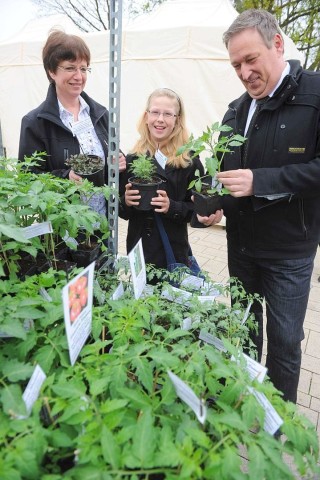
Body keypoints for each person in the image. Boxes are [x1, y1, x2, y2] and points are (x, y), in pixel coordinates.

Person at [197, 9, 320, 404]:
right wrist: (213, 205)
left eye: (251, 59)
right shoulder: (236, 110)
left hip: (289, 250)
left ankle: (277, 418)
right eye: (236, 65)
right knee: (246, 327)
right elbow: (226, 172)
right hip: (243, 245)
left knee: (284, 339)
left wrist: (261, 182)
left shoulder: (315, 95)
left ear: (278, 44)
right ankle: (248, 398)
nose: (244, 72)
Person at [18, 29, 126, 215]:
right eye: (70, 68)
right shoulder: (35, 123)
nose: (79, 76)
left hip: (103, 225)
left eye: (83, 69)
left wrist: (118, 160)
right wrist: (65, 177)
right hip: (63, 229)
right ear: (51, 71)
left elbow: (111, 157)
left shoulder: (100, 114)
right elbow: (28, 180)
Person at [119, 87, 204, 272]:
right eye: (155, 112)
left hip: (171, 250)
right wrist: (126, 201)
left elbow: (198, 210)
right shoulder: (134, 158)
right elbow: (122, 212)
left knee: (171, 297)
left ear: (177, 119)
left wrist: (172, 207)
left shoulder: (189, 160)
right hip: (139, 248)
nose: (160, 119)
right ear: (146, 116)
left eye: (168, 114)